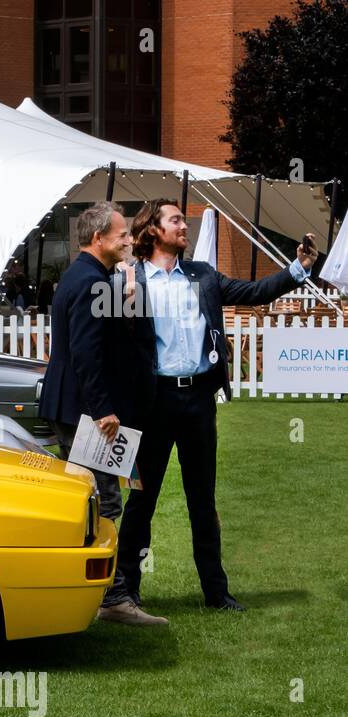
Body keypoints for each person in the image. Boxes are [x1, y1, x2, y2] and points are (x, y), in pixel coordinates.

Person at [117, 199, 317, 612]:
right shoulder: (131, 282)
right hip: (153, 405)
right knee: (141, 502)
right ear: (153, 230)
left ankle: (216, 592)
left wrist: (298, 268)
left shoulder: (202, 276)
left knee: (203, 502)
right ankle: (125, 591)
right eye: (175, 221)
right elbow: (106, 337)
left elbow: (255, 291)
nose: (183, 227)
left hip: (198, 403)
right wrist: (117, 280)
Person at [39, 200, 165, 625]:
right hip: (87, 412)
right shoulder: (92, 281)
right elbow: (86, 355)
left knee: (85, 499)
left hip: (78, 408)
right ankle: (112, 599)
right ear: (98, 239)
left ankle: (86, 591)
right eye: (123, 234)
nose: (130, 240)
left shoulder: (90, 277)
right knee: (103, 501)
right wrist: (103, 410)